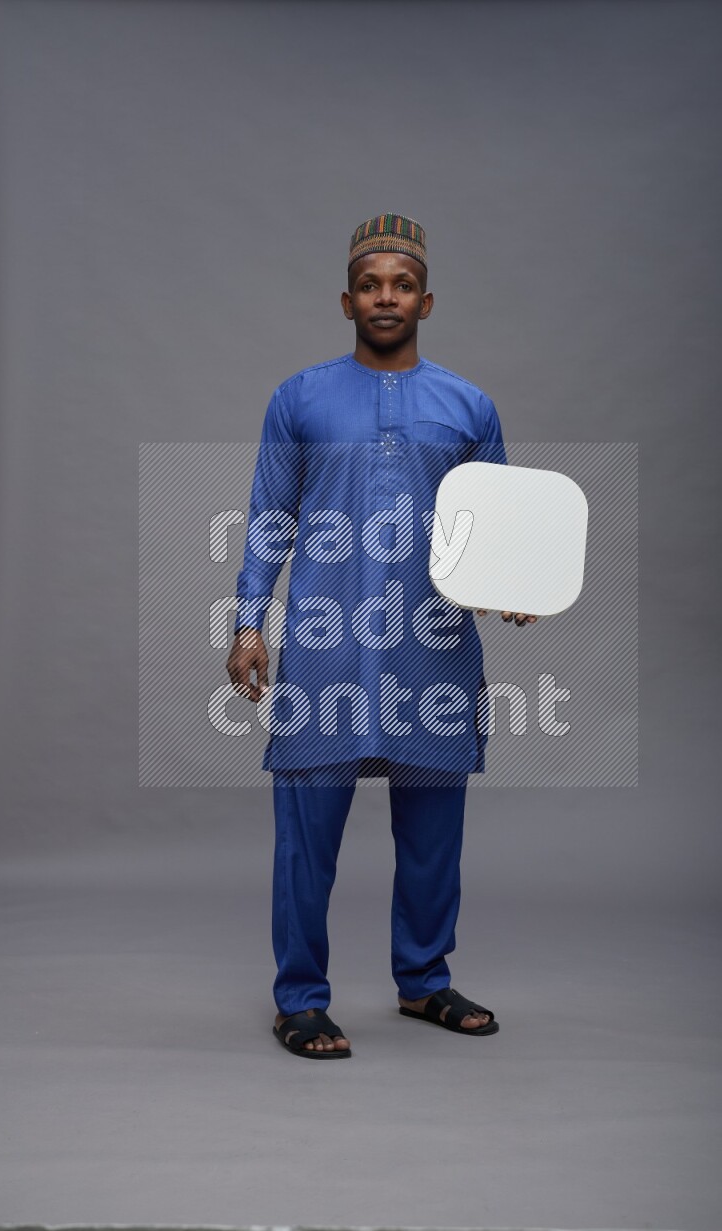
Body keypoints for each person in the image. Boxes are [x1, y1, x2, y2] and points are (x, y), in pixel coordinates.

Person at [226, 214, 536, 1058]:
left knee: (434, 834)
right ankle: (300, 997)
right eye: (371, 285)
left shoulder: (468, 405)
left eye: (401, 284)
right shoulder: (300, 398)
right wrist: (248, 621)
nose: (386, 297)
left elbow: (500, 525)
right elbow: (268, 518)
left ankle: (425, 982)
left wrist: (517, 586)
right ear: (346, 300)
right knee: (306, 835)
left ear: (425, 299)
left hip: (431, 645)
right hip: (327, 645)